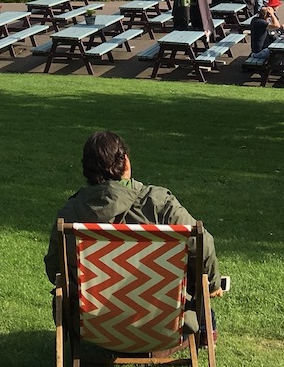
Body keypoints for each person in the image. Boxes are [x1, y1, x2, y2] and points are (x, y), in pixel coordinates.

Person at [44, 131, 223, 361]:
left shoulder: (71, 215)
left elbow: (54, 270)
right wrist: (212, 284)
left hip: (94, 324)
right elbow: (203, 244)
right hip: (162, 323)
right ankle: (206, 330)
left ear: (86, 170)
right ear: (126, 162)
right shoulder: (158, 204)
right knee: (196, 283)